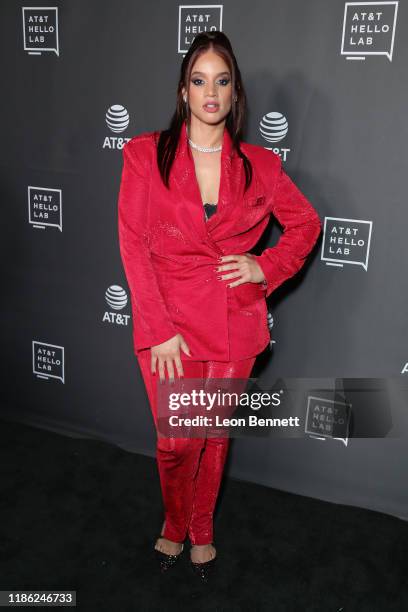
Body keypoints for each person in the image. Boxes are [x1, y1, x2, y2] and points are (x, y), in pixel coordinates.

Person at [117, 30, 322, 582]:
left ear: (235, 93)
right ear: (184, 91)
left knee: (213, 434)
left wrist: (266, 266)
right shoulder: (143, 155)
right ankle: (175, 517)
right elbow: (134, 244)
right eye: (199, 80)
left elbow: (306, 225)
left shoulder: (261, 166)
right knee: (177, 440)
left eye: (223, 81)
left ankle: (200, 528)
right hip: (170, 323)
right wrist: (158, 328)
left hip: (234, 320)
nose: (211, 91)